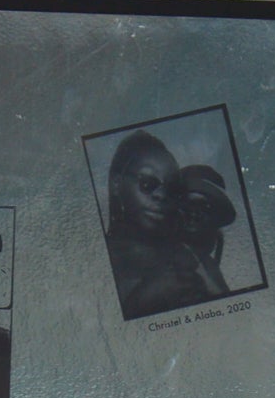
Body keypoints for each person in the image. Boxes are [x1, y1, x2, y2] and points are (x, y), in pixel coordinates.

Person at [101, 128, 238, 318]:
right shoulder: (93, 255)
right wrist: (146, 297)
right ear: (116, 184)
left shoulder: (193, 259)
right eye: (148, 183)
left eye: (170, 190)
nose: (160, 196)